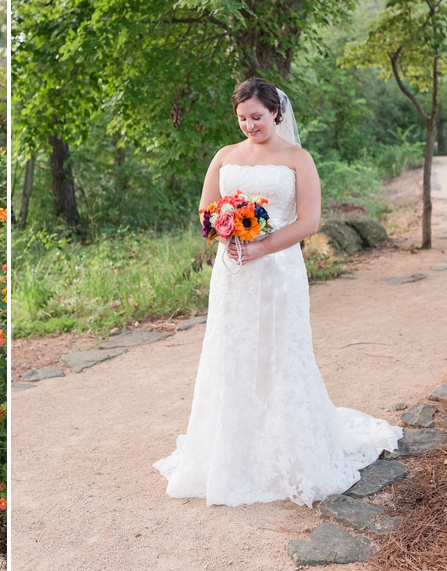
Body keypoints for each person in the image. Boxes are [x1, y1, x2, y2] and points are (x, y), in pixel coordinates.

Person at [153, 77, 401, 507]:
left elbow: (308, 221)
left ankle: (289, 451)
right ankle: (233, 452)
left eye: (257, 117)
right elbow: (206, 212)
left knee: (280, 352)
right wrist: (227, 233)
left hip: (279, 270)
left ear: (276, 113)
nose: (249, 125)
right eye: (242, 118)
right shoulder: (225, 156)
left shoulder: (297, 158)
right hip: (233, 273)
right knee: (232, 350)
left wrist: (262, 245)